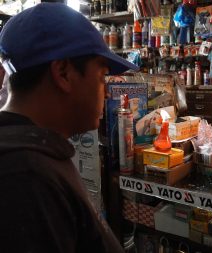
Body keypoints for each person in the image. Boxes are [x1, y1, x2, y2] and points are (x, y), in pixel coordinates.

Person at [0, 3, 138, 252]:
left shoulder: (36, 155)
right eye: (101, 77)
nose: (106, 92)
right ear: (63, 73)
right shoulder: (25, 178)